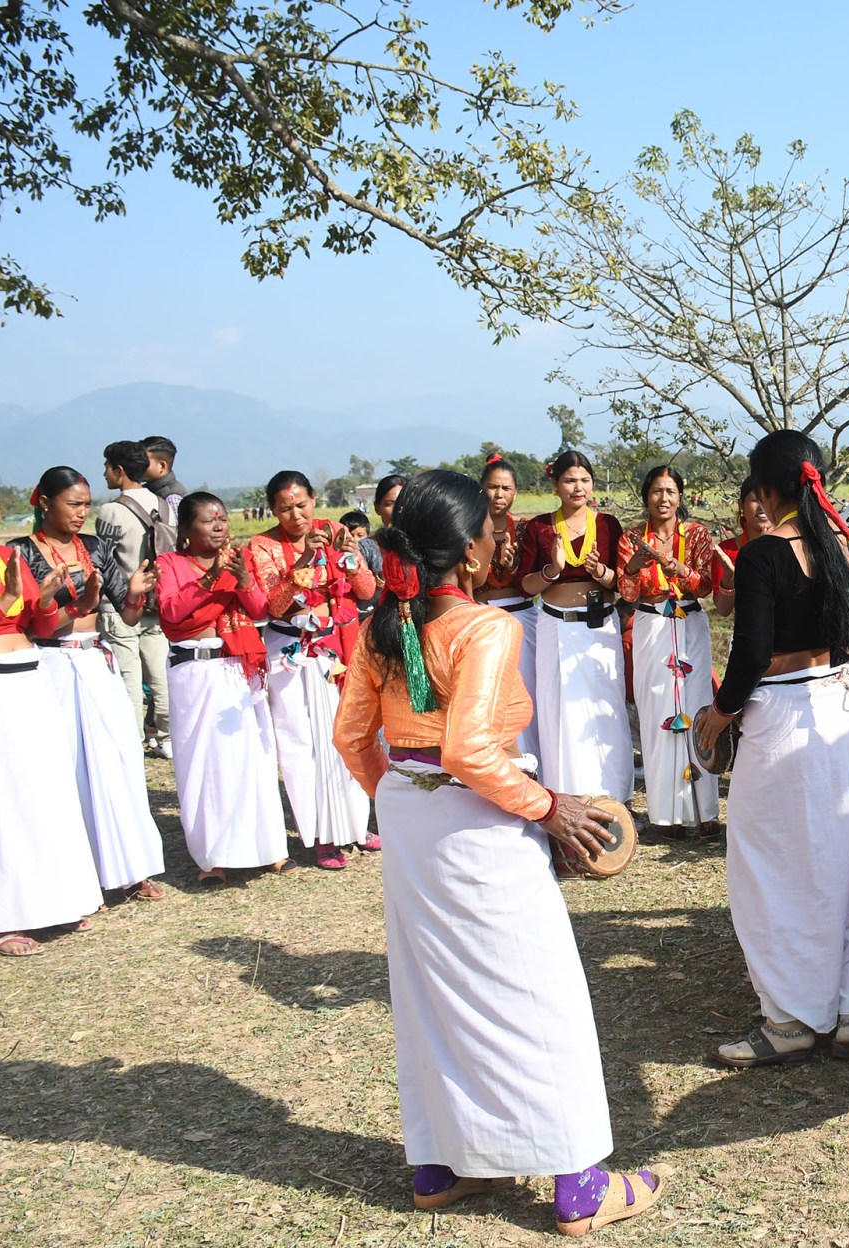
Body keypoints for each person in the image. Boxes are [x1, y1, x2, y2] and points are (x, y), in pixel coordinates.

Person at [332, 470, 663, 1233]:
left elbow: (354, 738)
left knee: (432, 991)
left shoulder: (386, 627)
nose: (499, 536)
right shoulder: (486, 627)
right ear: (473, 549)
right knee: (537, 994)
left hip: (413, 823)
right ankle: (579, 1185)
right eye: (490, 527)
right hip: (479, 824)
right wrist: (550, 808)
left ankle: (441, 1165)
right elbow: (473, 749)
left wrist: (407, 798)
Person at [693, 430, 849, 1067]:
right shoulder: (848, 548)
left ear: (766, 490)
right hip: (842, 716)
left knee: (770, 871)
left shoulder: (764, 553)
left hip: (782, 720)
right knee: (841, 873)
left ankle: (787, 1020)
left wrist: (719, 715)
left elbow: (748, 655)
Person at [15, 467, 167, 904]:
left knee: (117, 760)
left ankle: (129, 867)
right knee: (64, 765)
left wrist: (136, 592)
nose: (82, 513)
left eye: (85, 504)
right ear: (44, 501)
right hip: (49, 662)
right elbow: (24, 621)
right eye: (73, 504)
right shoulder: (21, 553)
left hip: (94, 659)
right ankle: (76, 870)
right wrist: (62, 604)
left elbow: (129, 612)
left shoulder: (95, 548)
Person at [0, 470, 103, 956]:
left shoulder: (8, 556)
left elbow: (40, 621)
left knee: (43, 791)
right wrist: (3, 601)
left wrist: (61, 600)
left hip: (30, 675)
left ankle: (55, 900)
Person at [245, 470, 378, 869]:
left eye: (301, 505)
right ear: (272, 509)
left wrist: (347, 555)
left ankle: (356, 824)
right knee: (299, 740)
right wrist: (303, 561)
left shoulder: (335, 531)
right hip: (289, 649)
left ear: (314, 500)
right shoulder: (262, 545)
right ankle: (320, 832)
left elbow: (367, 590)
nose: (296, 515)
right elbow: (275, 605)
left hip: (336, 646)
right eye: (285, 509)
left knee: (344, 732)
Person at [157, 493, 292, 883]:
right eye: (208, 521)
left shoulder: (239, 560)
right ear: (185, 530)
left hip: (238, 667)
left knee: (252, 760)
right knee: (205, 765)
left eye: (223, 519)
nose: (220, 527)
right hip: (196, 672)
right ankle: (213, 857)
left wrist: (245, 581)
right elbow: (172, 614)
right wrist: (213, 578)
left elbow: (260, 611)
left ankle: (266, 848)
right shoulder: (171, 564)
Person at [516, 452, 631, 807]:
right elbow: (525, 586)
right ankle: (567, 797)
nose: (577, 487)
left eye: (584, 480)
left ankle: (615, 798)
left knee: (606, 709)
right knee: (560, 711)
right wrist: (552, 569)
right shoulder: (541, 528)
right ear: (555, 485)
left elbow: (623, 584)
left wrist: (602, 575)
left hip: (600, 627)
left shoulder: (609, 525)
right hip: (557, 627)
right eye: (569, 480)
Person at [617, 465, 720, 837]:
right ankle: (667, 815)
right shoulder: (631, 538)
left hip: (689, 622)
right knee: (657, 711)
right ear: (646, 496)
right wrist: (631, 568)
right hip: (650, 625)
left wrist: (680, 569)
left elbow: (706, 586)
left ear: (681, 496)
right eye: (657, 491)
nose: (664, 498)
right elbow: (627, 595)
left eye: (671, 491)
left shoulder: (696, 535)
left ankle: (705, 812)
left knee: (696, 709)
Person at [96, 439, 174, 757]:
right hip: (158, 600)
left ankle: (130, 738)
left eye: (107, 467)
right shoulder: (165, 505)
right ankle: (168, 735)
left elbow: (103, 559)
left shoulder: (112, 510)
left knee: (128, 673)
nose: (104, 474)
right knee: (159, 672)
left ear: (119, 470)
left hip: (121, 603)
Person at [473, 455, 539, 758]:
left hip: (522, 619)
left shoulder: (526, 531)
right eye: (492, 487)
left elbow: (530, 579)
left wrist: (510, 565)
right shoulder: (470, 531)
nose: (499, 495)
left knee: (526, 696)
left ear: (516, 491)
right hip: (483, 619)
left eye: (506, 488)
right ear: (481, 488)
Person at [710, 477, 771, 619]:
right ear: (741, 505)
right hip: (748, 633)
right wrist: (729, 579)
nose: (762, 506)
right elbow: (723, 610)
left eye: (768, 499)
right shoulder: (726, 551)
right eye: (756, 500)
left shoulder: (790, 545)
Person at [141, 434, 186, 524]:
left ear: (162, 466)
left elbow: (174, 533)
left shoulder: (172, 497)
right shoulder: (149, 490)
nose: (138, 464)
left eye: (144, 461)